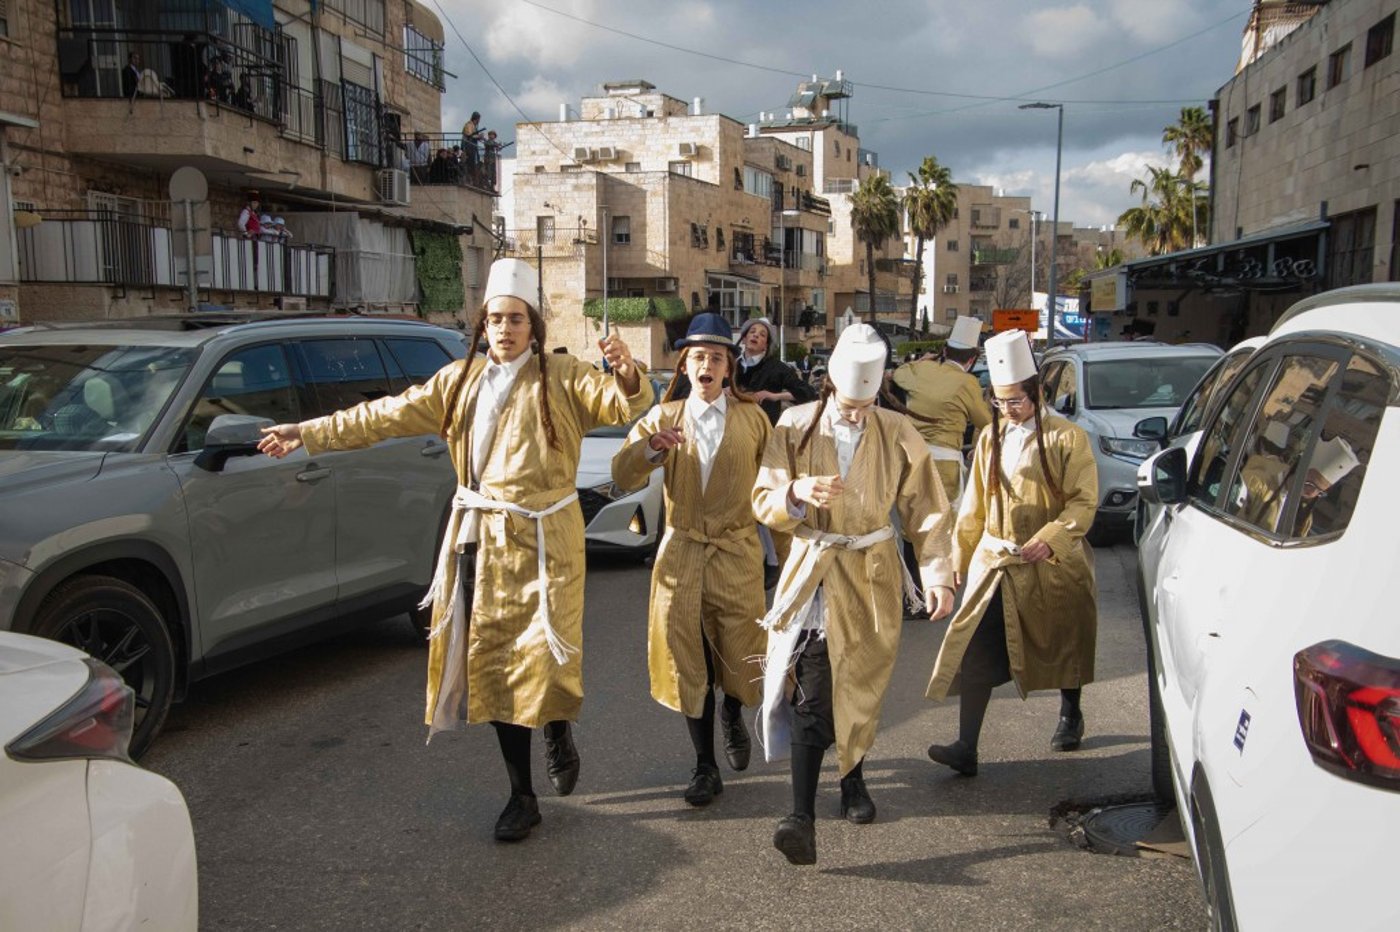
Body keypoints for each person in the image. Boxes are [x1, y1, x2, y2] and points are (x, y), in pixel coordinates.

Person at [256, 258, 654, 842]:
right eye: (496, 319)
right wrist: (307, 431)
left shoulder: (563, 378)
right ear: (483, 324)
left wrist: (625, 372)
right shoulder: (457, 381)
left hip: (548, 540)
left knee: (547, 662)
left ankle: (557, 728)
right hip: (483, 540)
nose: (505, 329)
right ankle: (522, 794)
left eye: (517, 319)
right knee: (494, 668)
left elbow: (624, 406)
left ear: (534, 324)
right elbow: (383, 416)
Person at [754, 323, 956, 866]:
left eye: (864, 404)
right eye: (848, 403)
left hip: (872, 568)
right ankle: (800, 815)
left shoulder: (897, 430)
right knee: (813, 686)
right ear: (831, 387)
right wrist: (794, 491)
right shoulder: (795, 424)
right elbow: (763, 495)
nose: (855, 414)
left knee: (861, 678)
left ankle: (853, 777)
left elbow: (927, 506)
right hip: (815, 566)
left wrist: (937, 572)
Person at [611, 313, 770, 806]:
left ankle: (733, 712)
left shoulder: (753, 419)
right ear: (686, 364)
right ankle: (704, 766)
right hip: (681, 552)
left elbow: (776, 488)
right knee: (688, 656)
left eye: (716, 358)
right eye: (698, 357)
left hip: (737, 551)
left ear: (729, 369)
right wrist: (652, 450)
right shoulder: (664, 417)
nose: (707, 365)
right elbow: (622, 475)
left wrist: (790, 563)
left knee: (741, 649)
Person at [925, 330, 1099, 777]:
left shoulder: (1068, 438)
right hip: (997, 559)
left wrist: (1054, 537)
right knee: (977, 647)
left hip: (1051, 559)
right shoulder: (991, 437)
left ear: (1036, 393)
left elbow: (1083, 500)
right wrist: (960, 561)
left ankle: (1069, 714)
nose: (1007, 410)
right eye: (1000, 402)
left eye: (1015, 401)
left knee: (1063, 638)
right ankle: (967, 745)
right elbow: (974, 505)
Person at [891, 316, 992, 508]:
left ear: (944, 350)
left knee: (913, 520)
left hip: (911, 458)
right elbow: (985, 422)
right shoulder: (967, 382)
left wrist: (921, 361)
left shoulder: (922, 369)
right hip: (944, 462)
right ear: (972, 359)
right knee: (942, 523)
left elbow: (899, 373)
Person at [735, 317, 818, 425]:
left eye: (762, 335)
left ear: (766, 345)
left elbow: (808, 392)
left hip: (763, 432)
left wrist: (774, 396)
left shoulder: (777, 368)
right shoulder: (730, 366)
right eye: (752, 331)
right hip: (733, 430)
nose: (756, 335)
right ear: (744, 339)